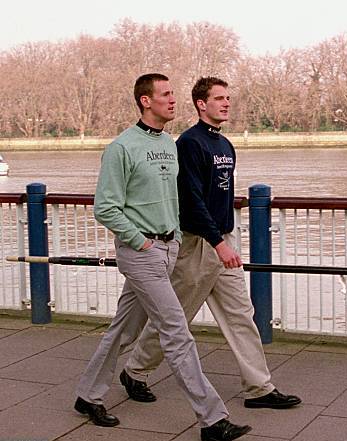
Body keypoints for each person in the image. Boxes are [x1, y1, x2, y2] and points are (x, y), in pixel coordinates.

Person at [74, 73, 251, 441]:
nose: (173, 100)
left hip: (168, 250)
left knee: (122, 330)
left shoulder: (170, 145)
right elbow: (105, 208)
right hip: (142, 254)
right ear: (145, 100)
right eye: (166, 94)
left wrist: (170, 241)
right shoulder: (121, 148)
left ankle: (88, 395)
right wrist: (140, 242)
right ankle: (212, 419)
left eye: (173, 94)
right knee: (177, 333)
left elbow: (180, 199)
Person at [121, 76, 301, 410]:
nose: (226, 103)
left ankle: (259, 388)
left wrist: (226, 237)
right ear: (201, 104)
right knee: (177, 317)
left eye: (228, 98)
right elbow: (190, 201)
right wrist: (218, 242)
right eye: (219, 98)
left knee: (241, 315)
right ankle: (135, 370)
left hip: (223, 242)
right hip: (199, 245)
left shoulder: (225, 144)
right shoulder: (190, 143)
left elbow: (222, 195)